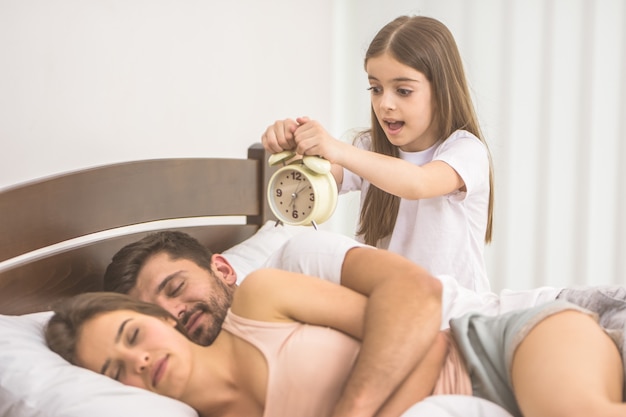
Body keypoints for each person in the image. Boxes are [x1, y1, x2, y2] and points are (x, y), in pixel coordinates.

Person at [46, 269, 626, 417]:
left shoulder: (260, 301)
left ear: (158, 317)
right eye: (114, 371)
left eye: (131, 335)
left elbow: (421, 333)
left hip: (503, 350)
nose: (138, 361)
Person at [262, 15, 494, 293]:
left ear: (441, 90)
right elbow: (322, 176)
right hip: (383, 300)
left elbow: (417, 183)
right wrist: (294, 145)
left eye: (403, 91)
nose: (385, 104)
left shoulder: (465, 151)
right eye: (376, 88)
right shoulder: (369, 147)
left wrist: (339, 149)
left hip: (452, 310)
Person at [103, 229, 443, 417]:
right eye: (155, 314)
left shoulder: (283, 275)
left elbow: (429, 332)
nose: (176, 314)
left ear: (223, 269)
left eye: (176, 288)